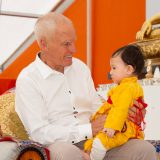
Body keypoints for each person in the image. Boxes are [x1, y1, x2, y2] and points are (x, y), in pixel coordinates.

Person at [15, 12, 156, 160]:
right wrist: (88, 130)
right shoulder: (28, 79)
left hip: (95, 140)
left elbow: (96, 106)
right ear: (44, 44)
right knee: (68, 153)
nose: (74, 49)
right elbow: (40, 132)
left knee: (144, 150)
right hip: (59, 144)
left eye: (73, 42)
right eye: (66, 44)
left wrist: (127, 113)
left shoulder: (80, 67)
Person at [84, 45, 148, 160]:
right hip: (119, 127)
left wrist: (112, 127)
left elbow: (120, 108)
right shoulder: (126, 86)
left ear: (129, 69)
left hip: (119, 129)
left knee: (99, 143)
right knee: (94, 143)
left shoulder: (127, 88)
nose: (110, 72)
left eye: (114, 68)